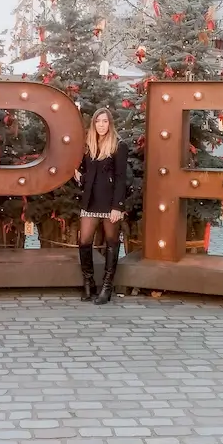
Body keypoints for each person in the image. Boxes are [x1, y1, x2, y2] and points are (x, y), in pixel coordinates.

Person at [74, 107, 128, 305]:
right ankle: (89, 283)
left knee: (112, 242)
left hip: (110, 202)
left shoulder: (119, 146)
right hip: (90, 201)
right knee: (85, 240)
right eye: (98, 121)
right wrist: (80, 178)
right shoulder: (89, 146)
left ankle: (107, 286)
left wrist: (118, 206)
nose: (101, 125)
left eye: (105, 121)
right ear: (94, 124)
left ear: (110, 123)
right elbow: (88, 173)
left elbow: (122, 178)